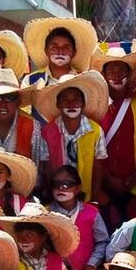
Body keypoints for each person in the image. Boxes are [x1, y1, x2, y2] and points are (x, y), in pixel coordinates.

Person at [91, 43, 136, 227]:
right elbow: (91, 146)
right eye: (111, 71)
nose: (117, 76)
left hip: (134, 185)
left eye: (121, 71)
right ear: (103, 75)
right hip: (102, 187)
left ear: (129, 74)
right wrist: (108, 179)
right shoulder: (95, 105)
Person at [35, 71, 110, 201]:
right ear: (58, 104)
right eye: (65, 100)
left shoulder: (95, 131)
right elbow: (46, 167)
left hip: (86, 193)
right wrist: (51, 193)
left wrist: (96, 192)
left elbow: (98, 166)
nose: (71, 104)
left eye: (76, 100)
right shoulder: (47, 132)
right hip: (58, 194)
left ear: (83, 104)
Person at [47, 165, 109, 270]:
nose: (60, 188)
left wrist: (92, 264)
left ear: (78, 188)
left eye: (66, 184)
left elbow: (103, 242)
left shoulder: (92, 212)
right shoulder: (45, 213)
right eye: (56, 184)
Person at [0, 203, 80, 270]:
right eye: (19, 235)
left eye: (30, 235)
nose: (23, 239)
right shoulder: (14, 263)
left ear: (43, 237)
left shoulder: (56, 261)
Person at [20, 18, 98, 90]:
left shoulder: (85, 80)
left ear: (74, 52)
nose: (60, 52)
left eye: (66, 48)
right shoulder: (30, 81)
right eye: (54, 47)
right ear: (46, 51)